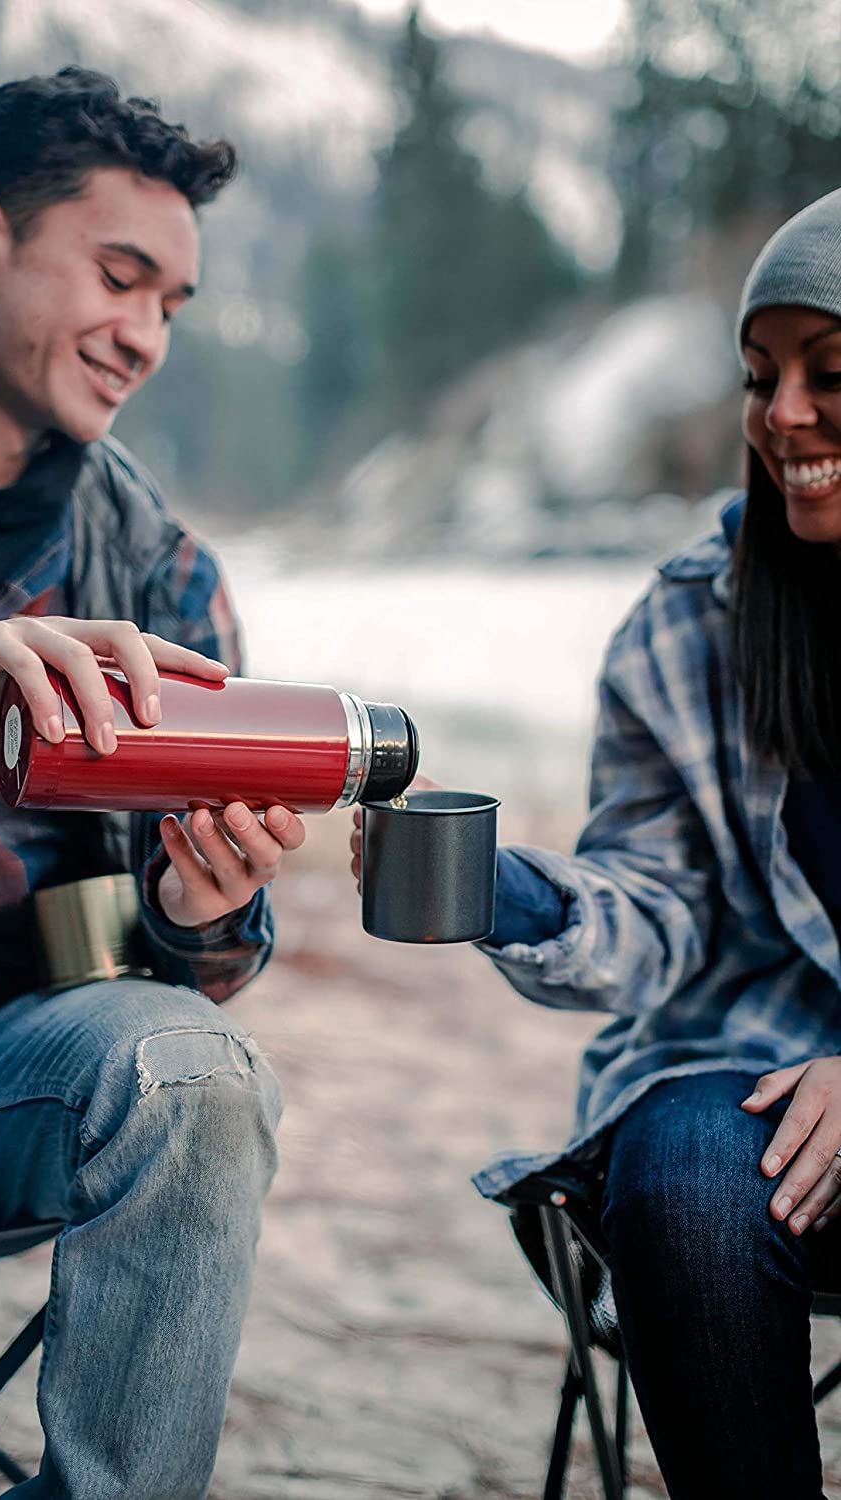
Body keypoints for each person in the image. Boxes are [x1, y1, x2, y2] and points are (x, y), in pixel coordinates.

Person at [0, 67, 307, 1500]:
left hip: (13, 1070)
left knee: (199, 1073)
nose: (147, 337)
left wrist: (198, 907)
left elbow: (189, 965)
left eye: (173, 303)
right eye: (121, 277)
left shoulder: (158, 566)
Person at [351, 188, 841, 1499]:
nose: (781, 414)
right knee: (678, 1162)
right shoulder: (690, 628)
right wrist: (501, 893)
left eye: (827, 373)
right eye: (759, 377)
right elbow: (655, 907)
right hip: (748, 1096)